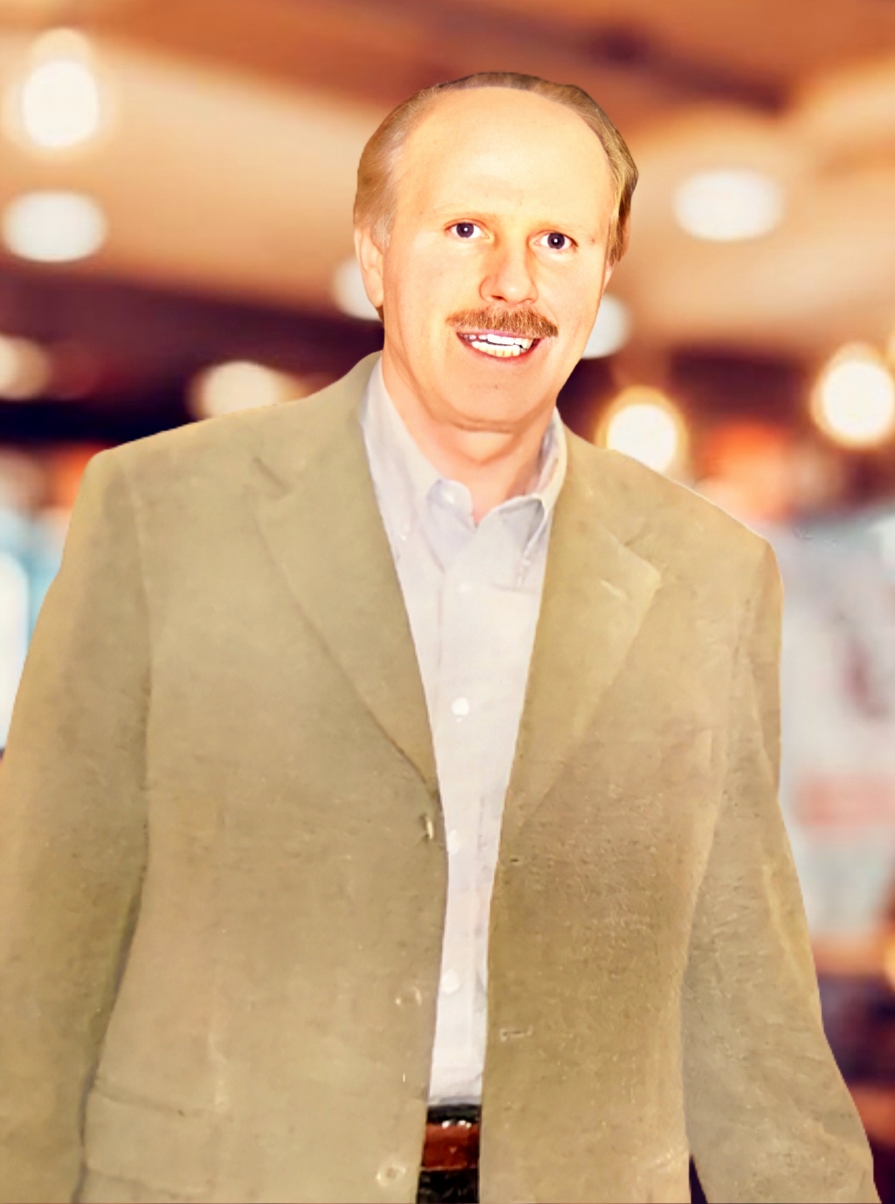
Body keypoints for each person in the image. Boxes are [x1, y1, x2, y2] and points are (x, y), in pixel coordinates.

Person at [0, 72, 878, 1204]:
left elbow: (748, 999)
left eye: (557, 240)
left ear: (602, 274)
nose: (511, 282)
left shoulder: (711, 574)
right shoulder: (161, 514)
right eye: (465, 228)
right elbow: (38, 955)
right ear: (375, 253)